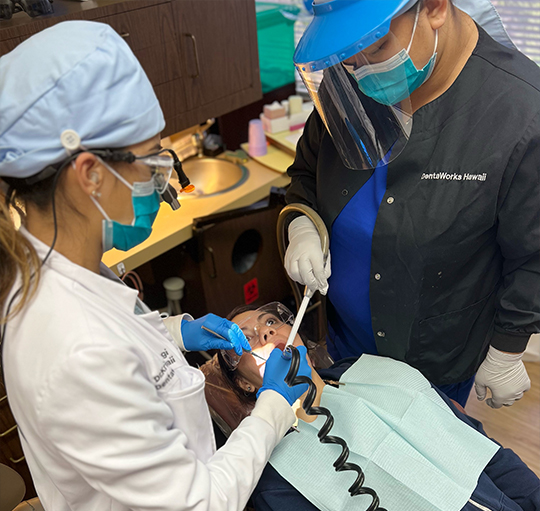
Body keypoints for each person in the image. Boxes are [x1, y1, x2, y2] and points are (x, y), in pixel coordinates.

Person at [0, 21, 314, 511]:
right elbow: (198, 504)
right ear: (91, 176)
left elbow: (118, 334)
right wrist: (274, 405)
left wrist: (178, 334)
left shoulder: (63, 263)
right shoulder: (74, 348)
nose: (161, 182)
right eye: (150, 163)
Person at [283, 0, 540, 408]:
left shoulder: (522, 113)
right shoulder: (349, 78)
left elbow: (533, 257)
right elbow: (305, 176)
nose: (362, 70)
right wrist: (301, 226)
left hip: (433, 360)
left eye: (378, 47)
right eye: (349, 58)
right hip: (344, 348)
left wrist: (507, 350)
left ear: (434, 7)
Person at [201, 302, 540, 511]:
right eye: (244, 338)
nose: (264, 332)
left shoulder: (375, 371)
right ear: (245, 383)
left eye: (271, 322)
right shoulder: (275, 477)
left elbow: (477, 445)